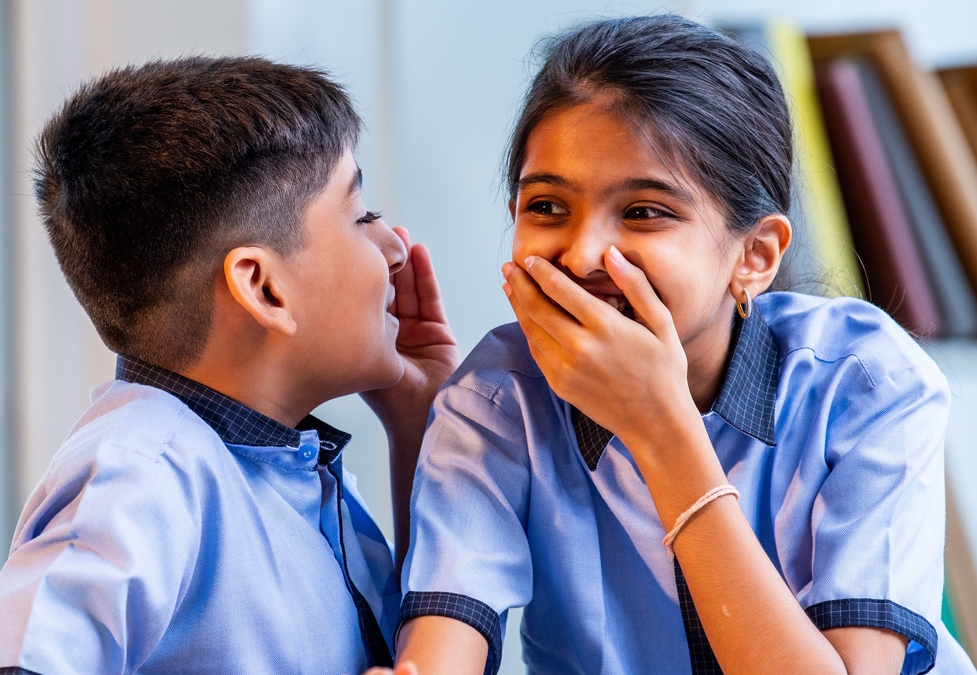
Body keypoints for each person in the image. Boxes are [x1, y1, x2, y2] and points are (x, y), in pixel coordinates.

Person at [394, 15, 976, 675]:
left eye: (644, 211)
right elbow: (441, 649)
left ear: (755, 256)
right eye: (548, 208)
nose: (582, 254)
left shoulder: (868, 381)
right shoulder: (497, 398)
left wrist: (658, 426)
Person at [0, 56, 455, 675]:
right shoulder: (143, 468)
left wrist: (421, 425)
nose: (396, 247)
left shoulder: (299, 477)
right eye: (360, 218)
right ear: (264, 288)